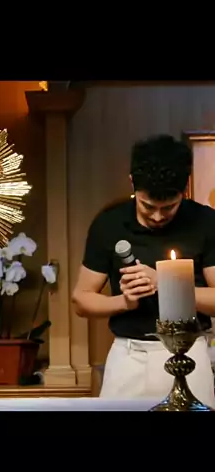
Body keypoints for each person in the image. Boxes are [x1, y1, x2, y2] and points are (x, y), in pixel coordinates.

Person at [72, 134, 215, 407]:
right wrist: (124, 302)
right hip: (128, 355)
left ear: (185, 189)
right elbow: (81, 299)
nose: (158, 216)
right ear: (132, 184)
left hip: (190, 352)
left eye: (169, 207)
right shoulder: (109, 224)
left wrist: (166, 283)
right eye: (148, 206)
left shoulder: (206, 222)